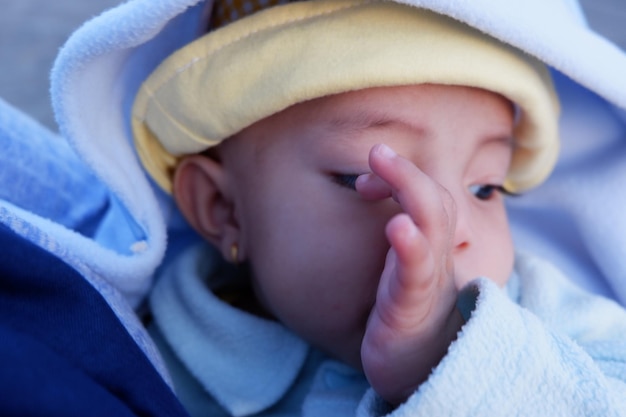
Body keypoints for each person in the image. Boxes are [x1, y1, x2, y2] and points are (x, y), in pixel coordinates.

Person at [2, 0, 626, 415]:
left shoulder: (545, 314)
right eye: (366, 177)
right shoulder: (154, 351)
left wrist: (443, 361)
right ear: (223, 209)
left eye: (486, 186)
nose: (446, 228)